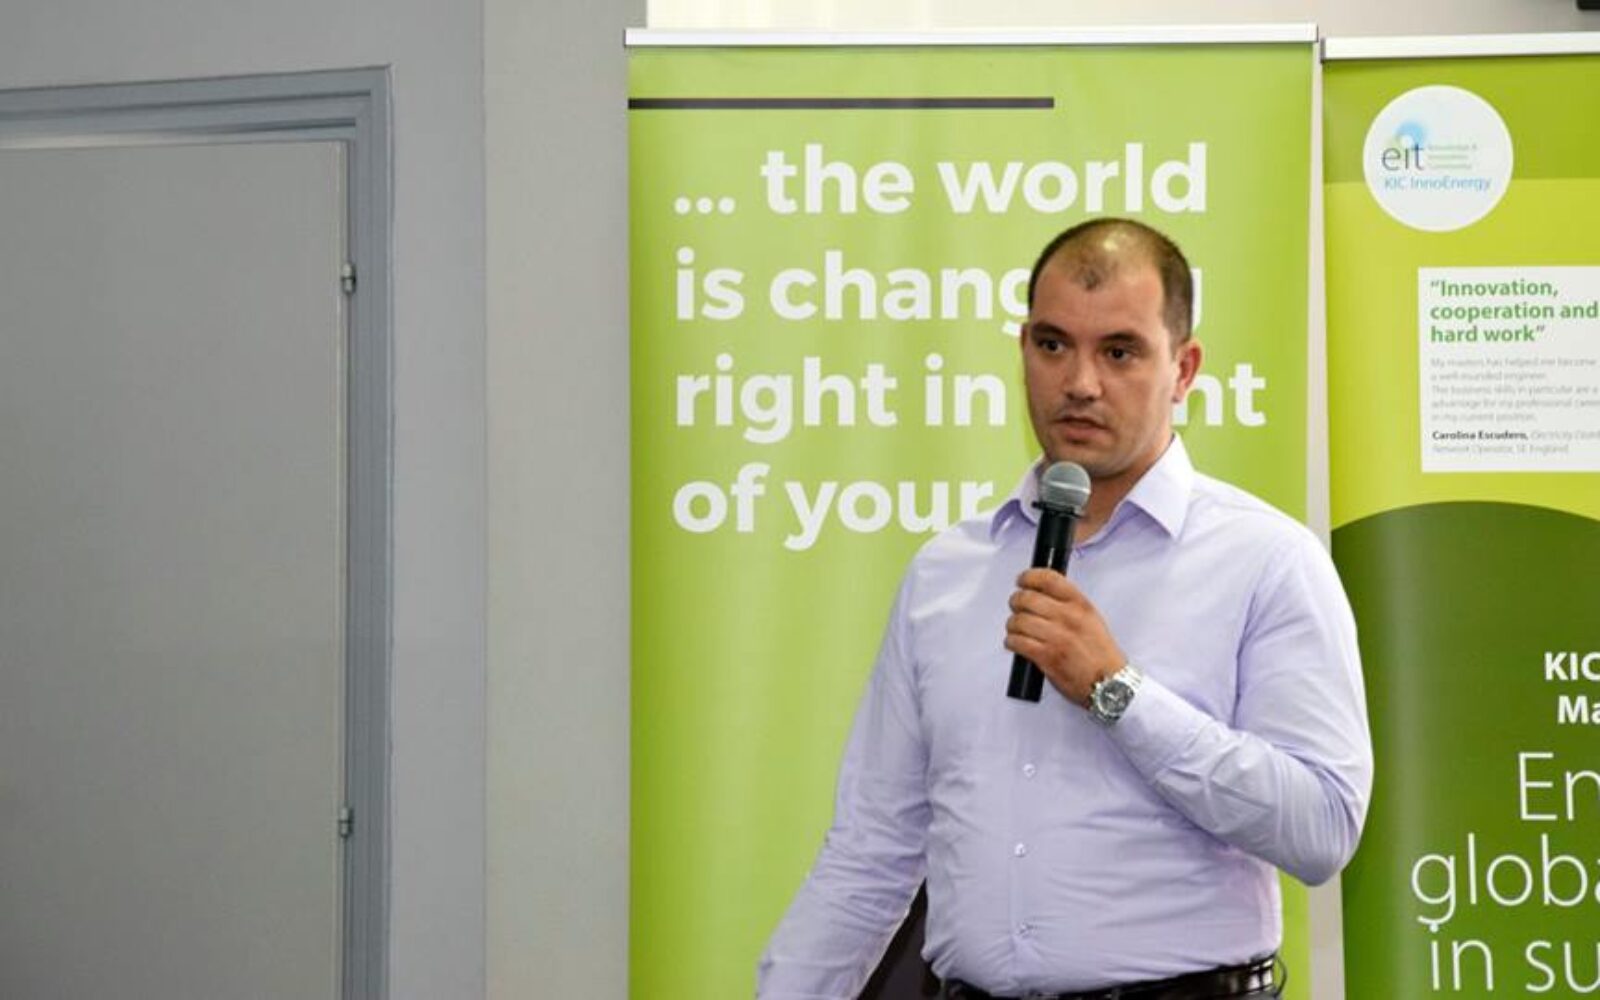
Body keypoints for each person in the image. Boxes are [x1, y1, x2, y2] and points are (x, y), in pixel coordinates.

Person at [756, 218, 1373, 1000]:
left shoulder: (1266, 561)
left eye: (1119, 351)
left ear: (1183, 369)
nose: (1080, 382)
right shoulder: (947, 574)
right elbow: (871, 850)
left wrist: (1118, 693)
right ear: (1023, 351)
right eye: (1053, 345)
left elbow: (1321, 828)